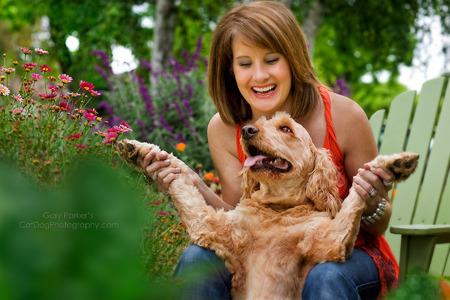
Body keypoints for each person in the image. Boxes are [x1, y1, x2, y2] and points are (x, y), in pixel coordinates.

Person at [142, 1, 397, 299]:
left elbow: (380, 224)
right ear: (231, 70)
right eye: (245, 63)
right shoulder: (225, 128)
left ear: (293, 59)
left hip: (347, 258)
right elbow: (238, 220)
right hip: (264, 261)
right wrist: (194, 185)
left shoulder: (344, 116)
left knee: (325, 275)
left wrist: (368, 202)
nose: (260, 76)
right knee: (197, 259)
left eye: (272, 60)